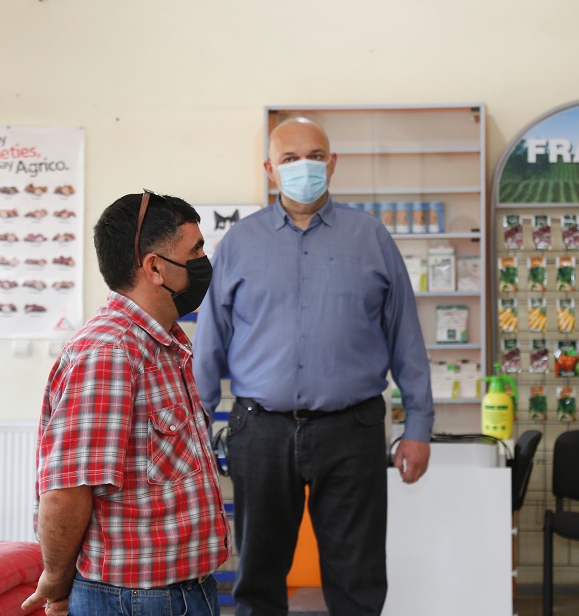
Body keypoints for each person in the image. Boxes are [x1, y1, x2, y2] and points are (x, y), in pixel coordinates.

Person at [192, 117, 434, 616]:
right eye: (290, 158)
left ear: (333, 163)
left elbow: (406, 339)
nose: (304, 167)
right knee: (258, 579)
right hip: (261, 430)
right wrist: (195, 427)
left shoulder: (371, 238)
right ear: (270, 169)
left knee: (357, 578)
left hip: (353, 430)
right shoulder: (239, 243)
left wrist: (419, 427)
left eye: (316, 156)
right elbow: (210, 342)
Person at [23, 191, 230, 616]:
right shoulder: (111, 352)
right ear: (155, 267)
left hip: (181, 592)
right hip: (137, 600)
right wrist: (57, 579)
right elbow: (67, 490)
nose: (204, 261)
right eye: (195, 250)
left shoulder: (161, 344)